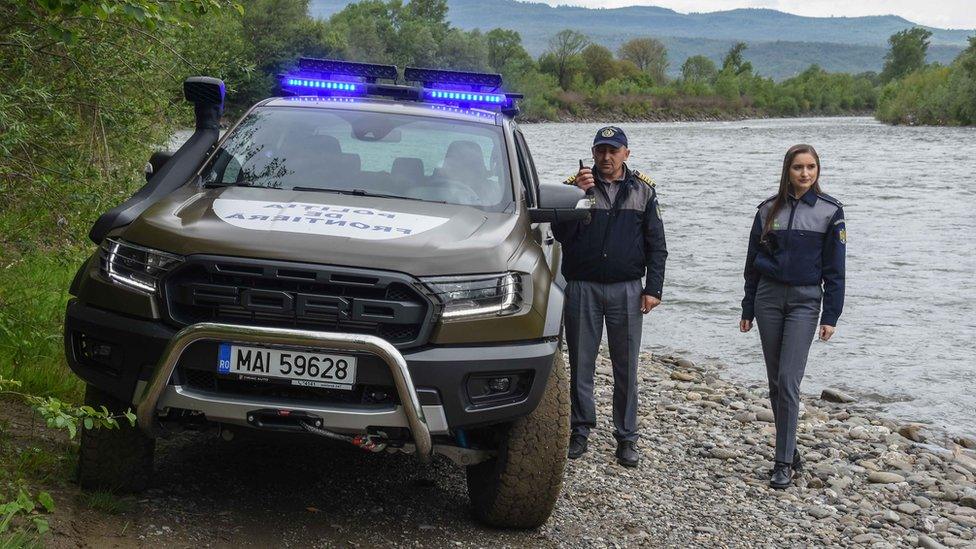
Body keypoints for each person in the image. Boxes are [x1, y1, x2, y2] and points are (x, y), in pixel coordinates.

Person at [553, 126, 667, 468]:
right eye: (601, 150)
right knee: (581, 364)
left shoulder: (644, 191)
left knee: (626, 367)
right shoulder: (574, 187)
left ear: (626, 154)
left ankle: (627, 437)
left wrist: (654, 289)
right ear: (593, 152)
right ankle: (580, 429)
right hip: (582, 286)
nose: (606, 157)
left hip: (628, 290)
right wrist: (577, 197)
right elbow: (560, 235)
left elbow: (656, 245)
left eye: (613, 151)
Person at [739, 144, 846, 489]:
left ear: (818, 171)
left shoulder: (830, 212)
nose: (805, 173)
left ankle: (782, 463)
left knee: (788, 380)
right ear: (788, 170)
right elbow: (752, 261)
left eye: (811, 167)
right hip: (768, 299)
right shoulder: (768, 209)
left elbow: (836, 270)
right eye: (798, 167)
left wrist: (831, 314)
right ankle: (791, 449)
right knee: (775, 381)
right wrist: (747, 306)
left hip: (805, 301)